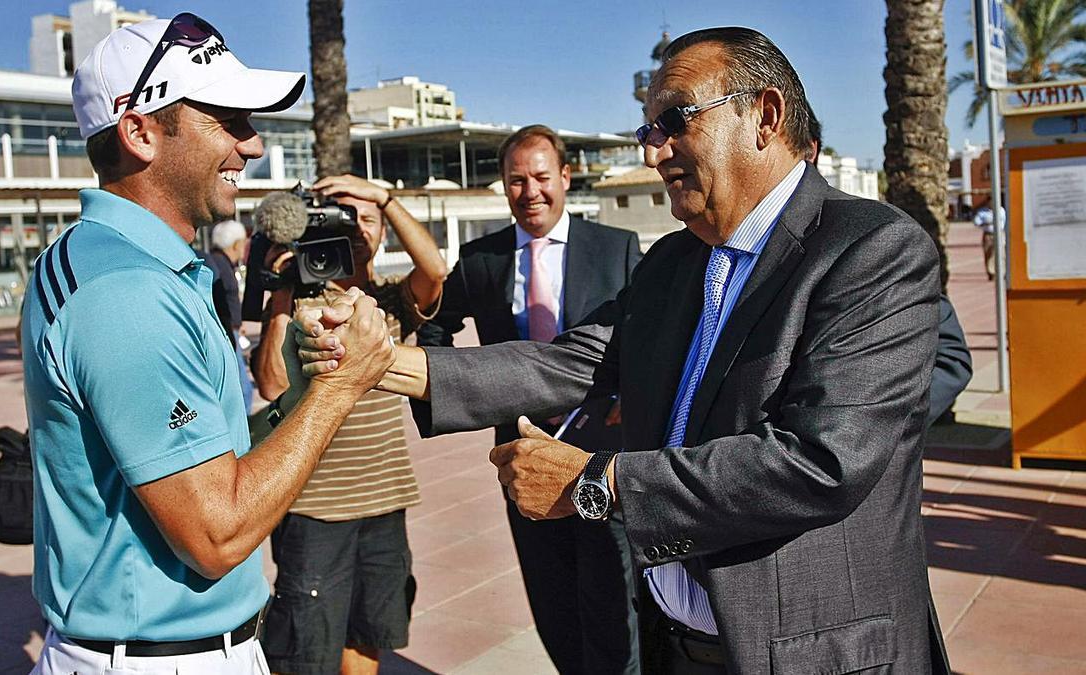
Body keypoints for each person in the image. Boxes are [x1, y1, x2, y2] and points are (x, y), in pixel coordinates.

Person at [300, 27, 952, 673]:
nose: (653, 152)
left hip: (812, 656)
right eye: (647, 132)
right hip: (676, 647)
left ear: (766, 115)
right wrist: (382, 362)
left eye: (674, 120)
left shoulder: (871, 250)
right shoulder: (673, 262)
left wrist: (595, 482)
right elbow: (570, 360)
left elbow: (821, 460)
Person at [20, 14, 394, 674]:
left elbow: (211, 456)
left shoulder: (119, 263)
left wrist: (303, 388)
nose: (251, 146)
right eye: (228, 119)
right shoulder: (126, 291)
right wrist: (341, 389)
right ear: (139, 132)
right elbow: (216, 531)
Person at [414, 124, 642, 674]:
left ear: (565, 177)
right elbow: (434, 329)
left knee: (614, 601)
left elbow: (645, 335)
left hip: (600, 456)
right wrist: (462, 399)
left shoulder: (616, 249)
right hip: (520, 457)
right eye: (517, 180)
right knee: (553, 603)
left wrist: (632, 398)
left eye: (542, 177)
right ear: (503, 185)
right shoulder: (482, 259)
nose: (530, 191)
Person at [252, 173, 446, 675]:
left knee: (370, 631)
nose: (359, 228)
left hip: (384, 498)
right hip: (313, 505)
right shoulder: (300, 303)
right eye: (347, 217)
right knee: (307, 643)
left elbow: (435, 268)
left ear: (383, 232)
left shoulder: (391, 302)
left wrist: (384, 197)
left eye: (369, 220)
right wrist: (283, 291)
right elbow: (273, 385)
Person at [806, 114, 972, 426]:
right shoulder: (705, 247)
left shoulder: (872, 238)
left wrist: (881, 427)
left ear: (808, 149)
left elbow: (950, 356)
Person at [203, 219, 255, 413]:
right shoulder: (219, 265)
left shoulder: (219, 262)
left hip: (229, 330)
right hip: (226, 334)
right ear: (236, 244)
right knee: (243, 390)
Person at [973, 198, 1005, 280]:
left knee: (1000, 253)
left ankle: (1001, 272)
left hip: (999, 233)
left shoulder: (1001, 210)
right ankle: (991, 272)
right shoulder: (982, 212)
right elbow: (976, 222)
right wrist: (986, 223)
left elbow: (1004, 221)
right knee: (988, 253)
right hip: (988, 234)